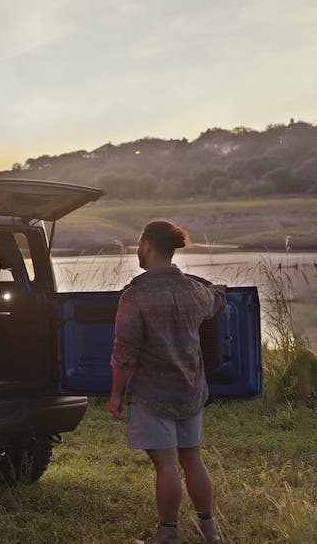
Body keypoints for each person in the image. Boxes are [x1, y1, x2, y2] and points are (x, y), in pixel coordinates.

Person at [108, 220, 226, 544]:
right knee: (192, 458)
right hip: (191, 391)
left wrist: (115, 395)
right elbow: (218, 302)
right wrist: (218, 291)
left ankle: (168, 534)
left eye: (138, 243)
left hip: (152, 395)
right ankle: (209, 531)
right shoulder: (194, 290)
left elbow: (124, 354)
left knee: (166, 465)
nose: (137, 249)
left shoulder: (135, 296)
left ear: (146, 245)